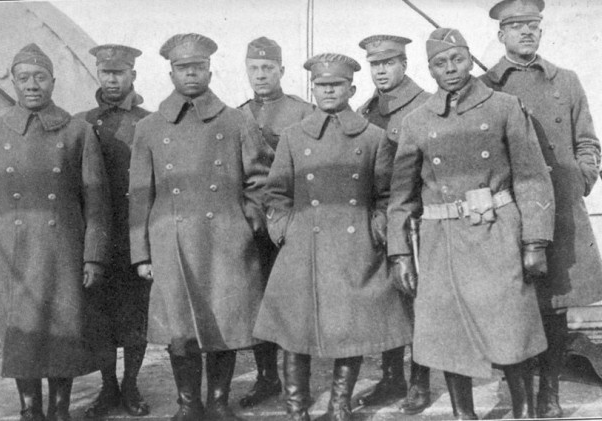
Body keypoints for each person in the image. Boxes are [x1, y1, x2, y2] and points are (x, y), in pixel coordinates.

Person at [386, 28, 555, 420]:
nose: (451, 69)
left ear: (469, 58)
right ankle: (464, 414)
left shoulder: (504, 107)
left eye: (457, 59)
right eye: (440, 63)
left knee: (511, 323)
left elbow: (531, 177)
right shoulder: (416, 122)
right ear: (429, 69)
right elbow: (401, 197)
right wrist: (399, 254)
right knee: (449, 331)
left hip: (498, 230)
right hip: (441, 239)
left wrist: (535, 241)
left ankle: (524, 411)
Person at [253, 53, 413, 421]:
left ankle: (339, 404)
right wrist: (284, 230)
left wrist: (374, 231)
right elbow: (275, 193)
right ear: (313, 88)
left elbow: (387, 195)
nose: (328, 91)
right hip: (302, 247)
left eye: (336, 85)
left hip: (353, 248)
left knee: (350, 330)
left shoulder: (373, 138)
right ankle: (296, 407)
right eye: (322, 86)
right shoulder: (294, 137)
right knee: (296, 330)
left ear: (351, 89)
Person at [128, 33, 272, 421]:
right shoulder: (150, 127)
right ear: (171, 72)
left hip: (225, 241)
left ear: (210, 69)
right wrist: (141, 253)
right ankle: (188, 404)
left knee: (224, 322)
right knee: (181, 327)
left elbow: (260, 180)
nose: (190, 74)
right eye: (182, 68)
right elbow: (140, 194)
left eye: (198, 67)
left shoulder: (236, 120)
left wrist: (246, 224)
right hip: (170, 243)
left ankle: (220, 402)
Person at [0, 43, 110, 421]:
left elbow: (96, 202)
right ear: (13, 82)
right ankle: (30, 409)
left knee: (63, 329)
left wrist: (93, 254)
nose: (32, 85)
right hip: (9, 253)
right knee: (21, 332)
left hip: (63, 249)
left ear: (53, 82)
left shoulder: (78, 132)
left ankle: (61, 409)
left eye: (40, 77)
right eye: (24, 78)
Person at [480, 1, 602, 417]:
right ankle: (520, 396)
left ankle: (548, 393)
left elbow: (587, 139)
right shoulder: (486, 86)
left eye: (533, 25)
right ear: (501, 35)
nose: (526, 32)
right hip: (514, 212)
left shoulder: (565, 82)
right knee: (517, 306)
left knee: (555, 309)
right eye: (516, 26)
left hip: (563, 211)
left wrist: (580, 179)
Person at [355, 34, 432, 414]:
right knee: (388, 301)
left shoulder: (424, 105)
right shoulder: (368, 109)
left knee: (416, 300)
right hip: (378, 220)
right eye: (375, 64)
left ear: (404, 63)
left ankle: (420, 383)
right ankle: (390, 379)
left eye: (388, 63)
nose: (381, 70)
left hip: (414, 218)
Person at [237, 36, 314, 409]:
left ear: (282, 70)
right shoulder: (237, 115)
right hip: (254, 225)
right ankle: (267, 378)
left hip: (291, 222)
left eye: (268, 68)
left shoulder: (302, 113)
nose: (261, 74)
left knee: (294, 303)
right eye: (254, 68)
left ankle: (297, 384)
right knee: (258, 302)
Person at [75, 44, 151, 418]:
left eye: (119, 73)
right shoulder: (81, 123)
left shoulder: (149, 122)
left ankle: (131, 385)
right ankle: (108, 388)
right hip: (96, 236)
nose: (111, 79)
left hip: (136, 234)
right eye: (105, 73)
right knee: (99, 317)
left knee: (136, 316)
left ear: (132, 76)